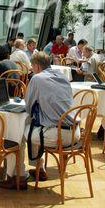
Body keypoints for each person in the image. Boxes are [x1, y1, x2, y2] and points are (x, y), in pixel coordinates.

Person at [25, 52, 80, 181]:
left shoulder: (37, 78)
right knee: (38, 127)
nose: (32, 69)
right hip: (75, 133)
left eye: (32, 66)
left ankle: (35, 167)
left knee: (26, 131)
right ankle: (39, 167)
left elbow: (28, 106)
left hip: (59, 136)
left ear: (37, 66)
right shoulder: (62, 76)